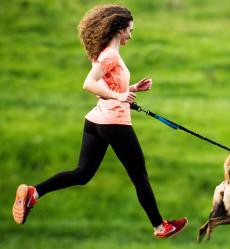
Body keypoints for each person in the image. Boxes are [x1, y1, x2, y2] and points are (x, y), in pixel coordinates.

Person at [12, 4, 187, 238]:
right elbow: (89, 84)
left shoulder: (106, 53)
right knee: (139, 176)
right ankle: (160, 226)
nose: (131, 35)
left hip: (97, 120)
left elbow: (103, 87)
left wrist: (132, 88)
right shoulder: (110, 55)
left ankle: (34, 192)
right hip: (114, 122)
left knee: (82, 173)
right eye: (130, 30)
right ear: (119, 28)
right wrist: (121, 96)